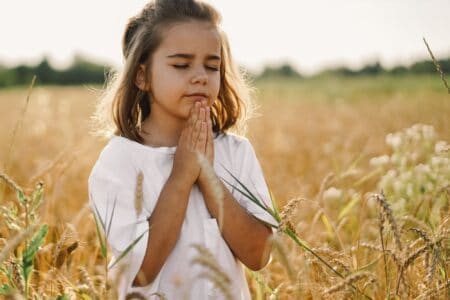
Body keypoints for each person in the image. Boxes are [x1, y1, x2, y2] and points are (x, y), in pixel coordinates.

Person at [88, 0, 277, 299]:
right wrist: (182, 176)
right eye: (181, 65)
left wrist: (209, 177)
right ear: (142, 76)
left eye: (212, 66)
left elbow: (259, 255)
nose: (200, 75)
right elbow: (139, 274)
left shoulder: (236, 152)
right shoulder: (119, 162)